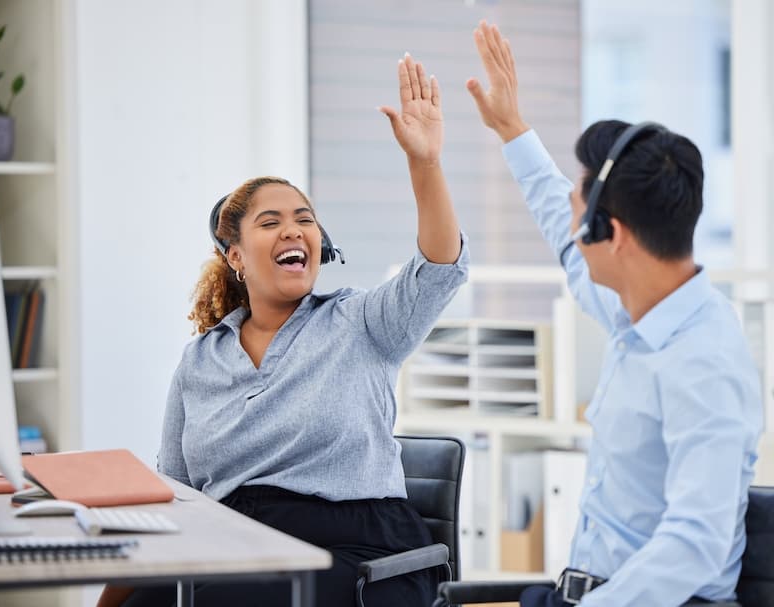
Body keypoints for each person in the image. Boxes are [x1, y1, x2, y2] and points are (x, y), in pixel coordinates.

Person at [98, 52, 468, 607]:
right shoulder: (200, 360)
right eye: (270, 222)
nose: (293, 230)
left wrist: (426, 163)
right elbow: (174, 496)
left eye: (304, 220)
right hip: (234, 548)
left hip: (361, 555)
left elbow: (438, 268)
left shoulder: (361, 322)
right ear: (235, 257)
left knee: (222, 602)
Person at [467, 19, 762, 607]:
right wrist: (512, 129)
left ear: (615, 236)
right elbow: (562, 226)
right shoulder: (636, 311)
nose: (575, 236)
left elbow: (695, 545)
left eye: (583, 221)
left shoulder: (703, 361)